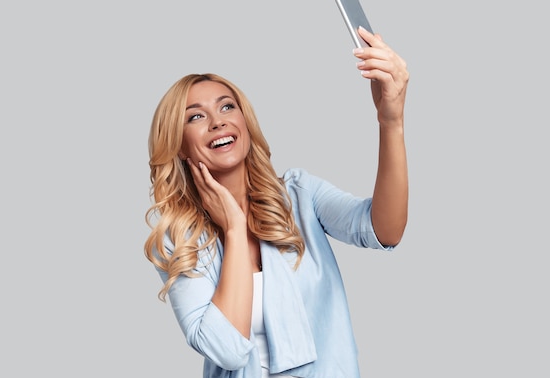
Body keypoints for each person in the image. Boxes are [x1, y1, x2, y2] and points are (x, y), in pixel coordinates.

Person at [144, 26, 409, 378]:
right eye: (196, 116)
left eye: (227, 106)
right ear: (178, 143)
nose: (217, 121)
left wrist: (390, 121)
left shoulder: (300, 194)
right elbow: (228, 350)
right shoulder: (178, 239)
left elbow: (384, 230)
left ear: (244, 122)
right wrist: (235, 230)